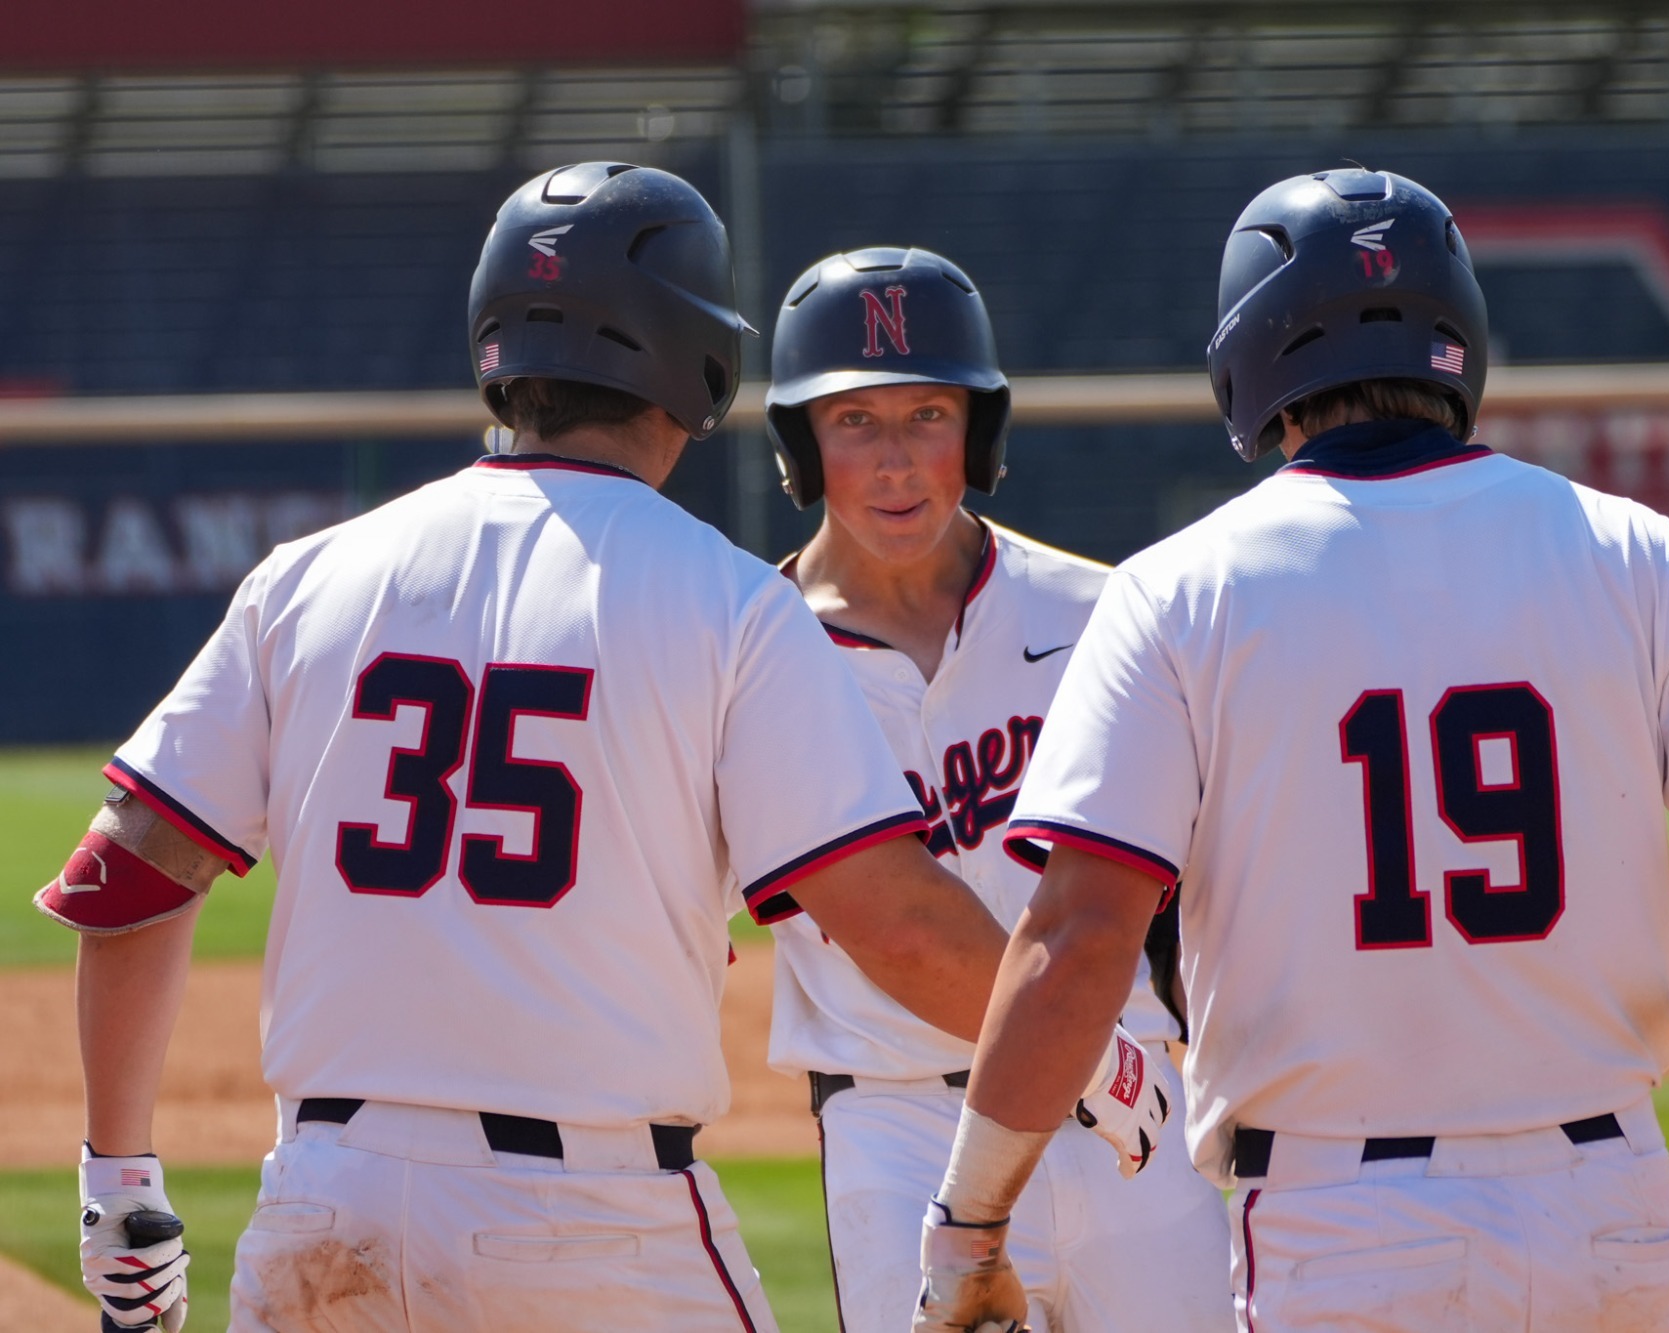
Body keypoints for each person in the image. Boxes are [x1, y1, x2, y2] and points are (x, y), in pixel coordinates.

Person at [912, 168, 1669, 1333]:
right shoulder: (1628, 550)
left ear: (1249, 357)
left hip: (1341, 1229)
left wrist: (969, 1228)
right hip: (1606, 1212)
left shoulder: (1177, 591)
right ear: (1457, 334)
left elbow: (1078, 940)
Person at [34, 162, 1026, 1333]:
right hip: (594, 1230)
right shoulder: (726, 601)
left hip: (324, 1207)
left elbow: (133, 870)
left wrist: (119, 1186)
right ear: (699, 360)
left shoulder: (308, 577)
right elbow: (900, 925)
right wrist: (1088, 1047)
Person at [759, 247, 1233, 1331]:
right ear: (801, 444)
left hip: (1129, 1126)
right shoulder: (752, 650)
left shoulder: (1099, 610)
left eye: (926, 414)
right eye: (853, 421)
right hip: (899, 1129)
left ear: (977, 430)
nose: (893, 461)